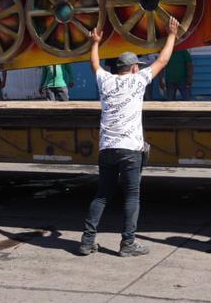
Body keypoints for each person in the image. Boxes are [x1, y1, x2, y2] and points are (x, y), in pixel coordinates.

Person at [79, 17, 180, 257]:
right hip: (130, 150)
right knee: (131, 195)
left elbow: (94, 63)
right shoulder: (138, 81)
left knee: (102, 195)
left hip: (107, 148)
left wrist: (94, 42)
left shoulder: (106, 81)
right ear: (134, 67)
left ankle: (86, 241)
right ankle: (128, 243)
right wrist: (172, 35)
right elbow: (163, 60)